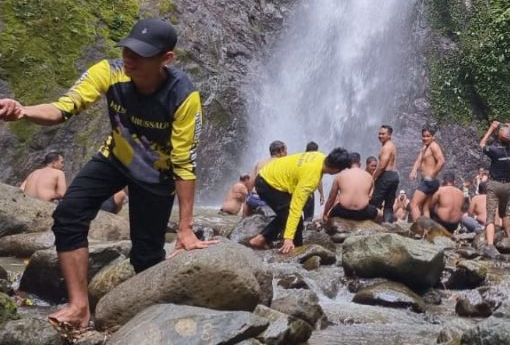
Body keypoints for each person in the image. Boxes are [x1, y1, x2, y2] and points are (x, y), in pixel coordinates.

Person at [0, 18, 213, 332]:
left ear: (166, 59)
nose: (130, 58)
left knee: (146, 255)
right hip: (116, 157)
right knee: (69, 214)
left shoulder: (183, 96)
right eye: (128, 50)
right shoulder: (110, 71)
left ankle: (147, 324)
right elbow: (64, 108)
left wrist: (185, 228)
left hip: (157, 175)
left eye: (141, 54)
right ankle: (79, 307)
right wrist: (23, 110)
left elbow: (185, 163)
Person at [248, 147, 353, 254]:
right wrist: (288, 238)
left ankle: (262, 238)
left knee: (287, 214)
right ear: (336, 169)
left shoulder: (319, 155)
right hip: (268, 185)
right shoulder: (311, 177)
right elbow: (295, 208)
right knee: (295, 217)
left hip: (270, 176)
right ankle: (296, 250)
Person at [480, 121, 510, 247]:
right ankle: (509, 238)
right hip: (507, 185)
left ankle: (490, 245)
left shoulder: (494, 150)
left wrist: (491, 129)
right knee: (504, 213)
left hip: (494, 184)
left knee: (491, 216)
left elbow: (482, 144)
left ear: (499, 137)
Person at [323, 152, 379, 223]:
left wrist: (325, 214)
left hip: (343, 212)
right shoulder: (369, 177)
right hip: (363, 213)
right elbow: (370, 197)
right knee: (378, 213)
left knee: (330, 215)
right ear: (359, 163)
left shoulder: (340, 175)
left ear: (348, 164)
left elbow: (331, 198)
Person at [409, 126, 446, 220]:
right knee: (425, 208)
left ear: (433, 137)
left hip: (428, 181)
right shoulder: (425, 147)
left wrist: (432, 174)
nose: (425, 138)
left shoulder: (434, 146)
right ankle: (427, 231)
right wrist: (414, 171)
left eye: (428, 136)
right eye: (423, 136)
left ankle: (419, 229)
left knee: (414, 204)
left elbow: (441, 161)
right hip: (429, 181)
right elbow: (418, 159)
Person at [247, 140, 287, 216]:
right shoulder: (282, 163)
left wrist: (250, 197)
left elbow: (250, 183)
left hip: (254, 198)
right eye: (285, 151)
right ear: (281, 151)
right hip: (268, 201)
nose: (286, 153)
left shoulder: (260, 163)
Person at [370, 125, 401, 223]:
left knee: (375, 200)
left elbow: (382, 165)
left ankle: (369, 223)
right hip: (394, 175)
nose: (380, 136)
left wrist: (373, 177)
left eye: (383, 134)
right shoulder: (391, 145)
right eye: (379, 133)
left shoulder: (387, 147)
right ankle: (388, 224)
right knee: (388, 203)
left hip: (386, 175)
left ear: (390, 135)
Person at [302, 141, 323, 223]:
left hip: (295, 191)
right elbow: (318, 180)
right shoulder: (315, 162)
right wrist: (321, 195)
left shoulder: (300, 159)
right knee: (308, 218)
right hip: (308, 193)